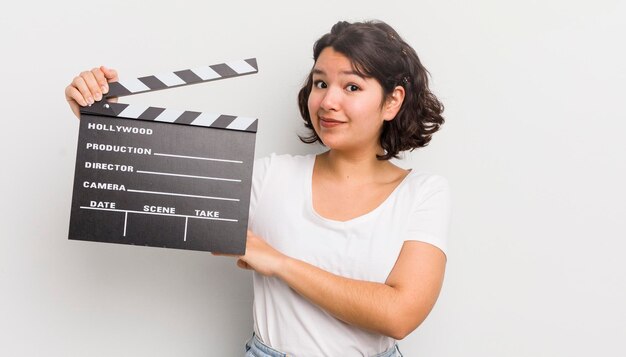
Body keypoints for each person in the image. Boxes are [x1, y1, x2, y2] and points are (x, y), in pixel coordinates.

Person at [65, 19, 450, 357]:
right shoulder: (271, 178)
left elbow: (399, 315)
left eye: (352, 87)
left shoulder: (423, 193)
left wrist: (278, 261)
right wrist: (105, 114)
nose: (328, 101)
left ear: (392, 101)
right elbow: (144, 190)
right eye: (320, 83)